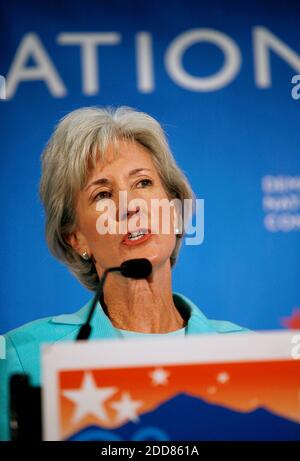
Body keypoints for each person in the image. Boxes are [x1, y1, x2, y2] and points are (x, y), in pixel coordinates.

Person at [0, 106, 248, 440]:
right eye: (102, 194)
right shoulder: (20, 356)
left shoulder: (250, 354)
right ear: (76, 238)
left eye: (143, 183)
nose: (129, 205)